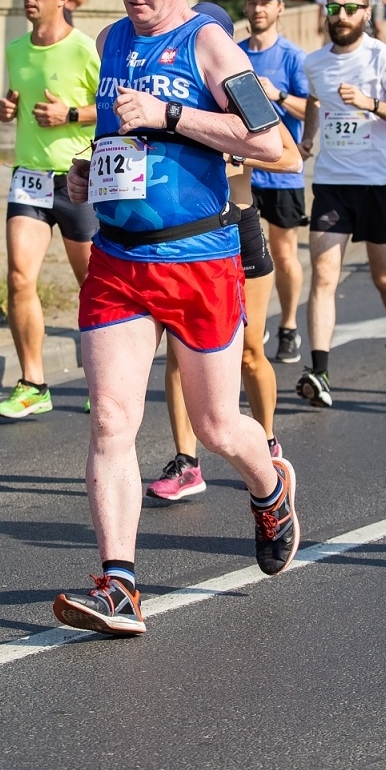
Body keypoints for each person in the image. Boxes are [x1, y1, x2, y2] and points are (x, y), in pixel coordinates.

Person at [51, 0, 300, 638]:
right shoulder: (111, 44)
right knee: (110, 420)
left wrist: (171, 115)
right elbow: (120, 137)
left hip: (198, 259)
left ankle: (271, 486)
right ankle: (120, 585)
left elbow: (276, 146)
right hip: (121, 259)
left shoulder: (209, 46)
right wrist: (89, 168)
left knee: (219, 426)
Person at [147, 124, 302, 501]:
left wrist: (230, 151)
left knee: (250, 352)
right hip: (184, 233)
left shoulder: (236, 89)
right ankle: (187, 463)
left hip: (236, 226)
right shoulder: (165, 91)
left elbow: (291, 158)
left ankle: (265, 444)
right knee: (179, 354)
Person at [295, 0, 386, 408]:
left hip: (377, 183)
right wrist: (309, 139)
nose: (342, 15)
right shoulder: (314, 63)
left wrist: (370, 104)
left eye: (351, 8)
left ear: (367, 14)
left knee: (384, 278)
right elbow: (315, 100)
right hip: (331, 182)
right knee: (324, 278)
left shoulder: (381, 58)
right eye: (335, 8)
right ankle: (319, 370)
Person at [0, 0, 100, 419]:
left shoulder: (83, 49)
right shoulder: (16, 49)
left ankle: (104, 377)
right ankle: (34, 383)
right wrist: (6, 109)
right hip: (29, 178)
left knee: (93, 286)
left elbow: (113, 106)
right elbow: (17, 102)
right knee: (19, 277)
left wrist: (71, 115)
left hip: (76, 179)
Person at [239, 0, 310, 365]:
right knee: (242, 256)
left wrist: (278, 96)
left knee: (283, 254)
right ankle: (253, 324)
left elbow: (309, 110)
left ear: (280, 8)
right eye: (252, 3)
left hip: (280, 170)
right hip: (241, 173)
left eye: (264, 3)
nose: (257, 10)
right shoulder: (232, 54)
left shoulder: (292, 57)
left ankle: (289, 326)